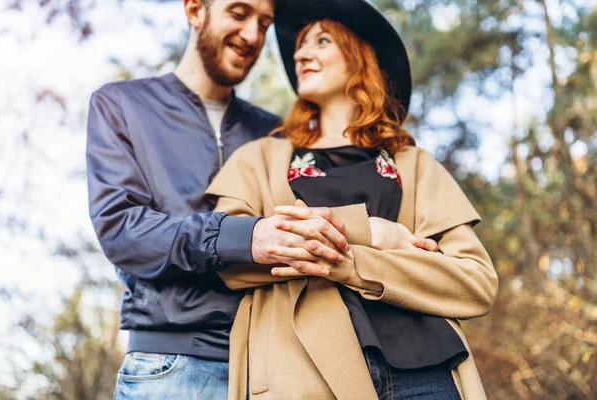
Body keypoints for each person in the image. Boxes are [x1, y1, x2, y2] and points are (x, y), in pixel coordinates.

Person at [86, 0, 414, 398]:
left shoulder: (277, 135)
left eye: (264, 23)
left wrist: (375, 233)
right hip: (171, 368)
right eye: (239, 14)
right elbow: (122, 231)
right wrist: (248, 237)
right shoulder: (121, 105)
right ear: (194, 10)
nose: (253, 37)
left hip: (279, 368)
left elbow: (311, 230)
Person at [205, 0, 499, 399]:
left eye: (322, 41)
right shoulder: (258, 159)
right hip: (304, 373)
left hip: (429, 371)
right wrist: (373, 233)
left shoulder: (413, 164)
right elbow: (230, 258)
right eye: (300, 45)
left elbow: (475, 282)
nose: (301, 53)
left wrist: (352, 265)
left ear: (360, 57)